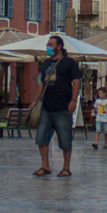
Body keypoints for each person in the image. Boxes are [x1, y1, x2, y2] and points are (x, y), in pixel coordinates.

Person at [33, 35, 82, 177]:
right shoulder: (47, 63)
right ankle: (45, 166)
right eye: (47, 44)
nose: (48, 47)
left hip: (63, 107)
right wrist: (34, 101)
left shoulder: (69, 62)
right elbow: (42, 83)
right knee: (41, 137)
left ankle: (66, 167)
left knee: (65, 139)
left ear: (59, 46)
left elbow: (76, 82)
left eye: (51, 44)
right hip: (46, 107)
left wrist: (73, 100)